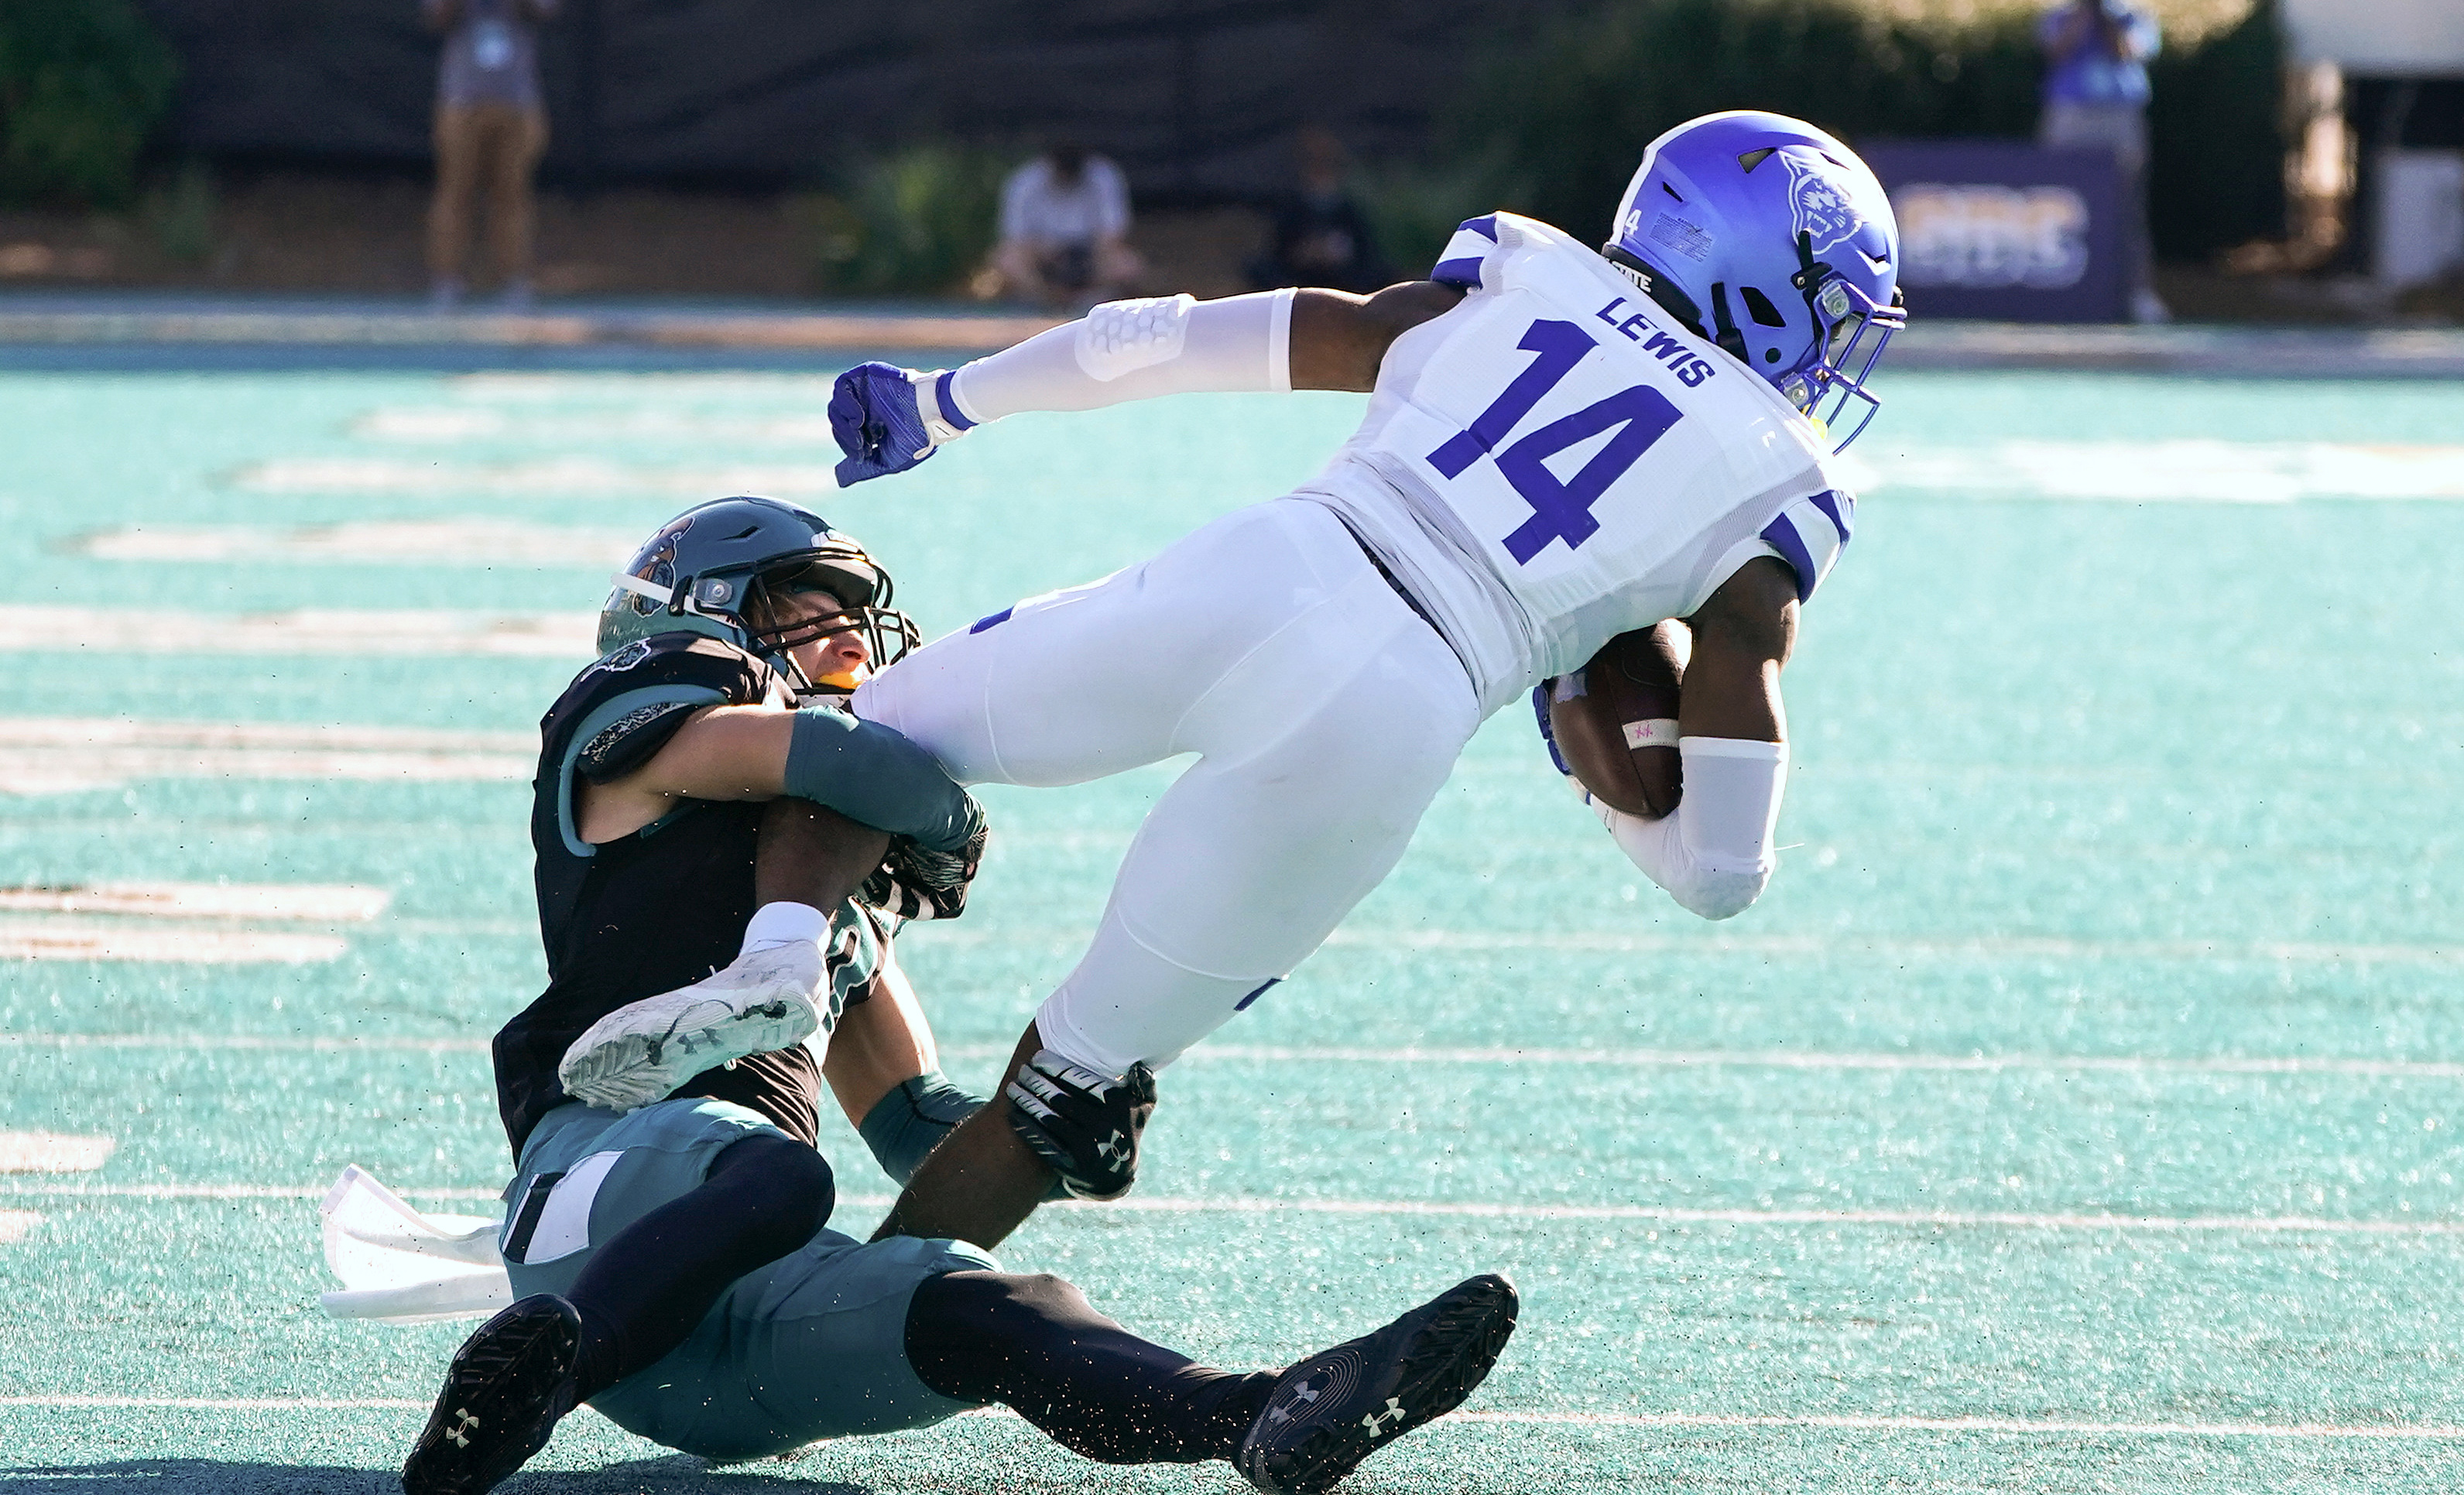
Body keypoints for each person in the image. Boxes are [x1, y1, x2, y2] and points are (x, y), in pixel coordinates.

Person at [568, 110, 1904, 1259]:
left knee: (867, 735)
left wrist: (947, 399)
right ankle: (863, 1311)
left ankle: (783, 955)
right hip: (1404, 707)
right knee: (1071, 1083)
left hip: (1267, 569)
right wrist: (1586, 735)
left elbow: (1187, 339)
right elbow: (1716, 869)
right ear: (1759, 275)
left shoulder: (1524, 272)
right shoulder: (1778, 482)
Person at [399, 494, 1518, 1495]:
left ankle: (1259, 1412)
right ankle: (518, 1388)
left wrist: (1046, 1137)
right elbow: (832, 762)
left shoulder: (836, 922)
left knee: (985, 1304)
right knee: (780, 1165)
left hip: (714, 1352)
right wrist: (940, 809)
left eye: (858, 615)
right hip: (588, 1206)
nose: (850, 635)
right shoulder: (643, 747)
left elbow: (916, 1133)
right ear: (708, 612)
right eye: (809, 605)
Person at [2036, 0, 2168, 323]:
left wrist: (2106, 17)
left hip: (2119, 115)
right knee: (2060, 201)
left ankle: (2136, 294)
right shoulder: (2061, 15)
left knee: (2128, 207)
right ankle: (2056, 294)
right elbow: (2058, 50)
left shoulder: (2132, 17)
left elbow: (2127, 51)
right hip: (2070, 113)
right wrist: (2085, 13)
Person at [423, 0, 557, 310]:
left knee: (513, 194)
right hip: (461, 101)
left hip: (517, 101)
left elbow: (543, 12)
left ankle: (514, 281)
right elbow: (436, 18)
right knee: (455, 193)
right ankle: (447, 280)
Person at [985, 143, 1146, 311]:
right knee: (1006, 261)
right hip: (1042, 256)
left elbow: (1112, 235)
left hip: (1090, 255)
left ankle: (1089, 301)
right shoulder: (1024, 181)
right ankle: (1045, 302)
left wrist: (1090, 262)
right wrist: (1046, 254)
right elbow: (1015, 237)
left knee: (1127, 266)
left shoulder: (1104, 176)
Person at [1247, 127, 1391, 294]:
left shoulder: (1349, 211)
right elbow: (1275, 258)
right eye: (1313, 162)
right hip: (1299, 290)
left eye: (1326, 162)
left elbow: (1369, 259)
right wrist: (1304, 254)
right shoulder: (1289, 210)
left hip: (1346, 288)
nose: (1320, 170)